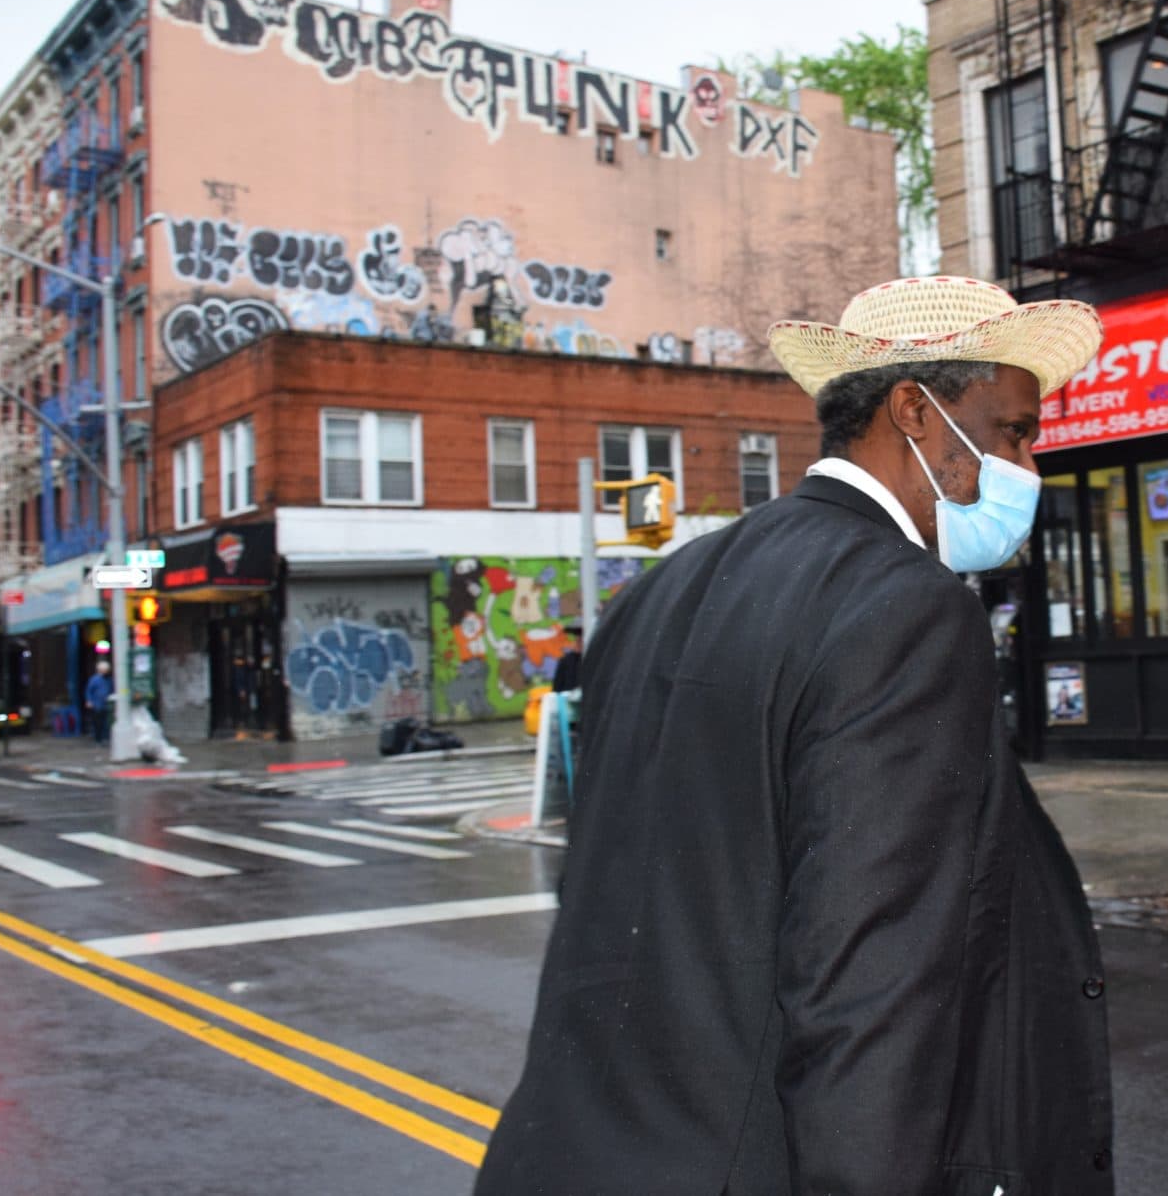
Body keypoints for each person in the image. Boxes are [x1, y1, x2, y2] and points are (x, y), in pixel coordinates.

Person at [477, 277, 1113, 1195]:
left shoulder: (655, 593)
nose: (1028, 465)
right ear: (915, 413)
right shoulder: (907, 610)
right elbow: (869, 991)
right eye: (1014, 432)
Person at [84, 661, 113, 745]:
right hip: (97, 704)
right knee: (97, 722)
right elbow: (88, 691)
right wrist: (89, 701)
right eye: (104, 670)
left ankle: (104, 738)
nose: (106, 671)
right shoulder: (94, 679)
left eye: (107, 669)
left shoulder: (109, 679)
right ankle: (98, 738)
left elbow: (111, 689)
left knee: (106, 722)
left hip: (106, 704)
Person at [549, 624, 583, 694]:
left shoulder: (597, 660)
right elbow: (556, 689)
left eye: (581, 637)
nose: (578, 640)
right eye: (577, 638)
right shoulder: (566, 660)